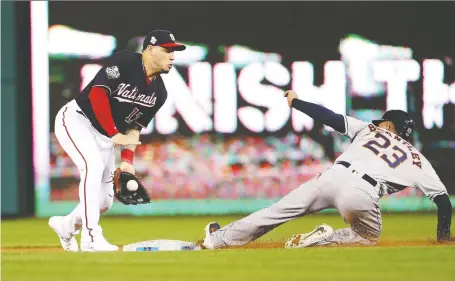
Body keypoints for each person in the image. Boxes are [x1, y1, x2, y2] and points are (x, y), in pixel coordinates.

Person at [199, 90, 453, 249]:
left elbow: (329, 117)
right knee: (366, 237)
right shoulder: (418, 159)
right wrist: (442, 237)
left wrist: (296, 102)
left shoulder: (369, 129)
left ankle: (217, 240)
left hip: (331, 176)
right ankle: (322, 239)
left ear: (387, 124)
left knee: (275, 212)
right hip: (362, 192)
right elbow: (444, 203)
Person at [49, 29, 186, 252]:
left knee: (104, 202)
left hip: (104, 136)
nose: (173, 56)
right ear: (150, 50)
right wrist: (114, 134)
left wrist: (127, 160)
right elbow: (97, 94)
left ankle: (65, 226)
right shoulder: (125, 61)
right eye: (167, 50)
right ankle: (91, 238)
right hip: (77, 120)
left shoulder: (159, 93)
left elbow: (134, 128)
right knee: (92, 166)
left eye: (174, 52)